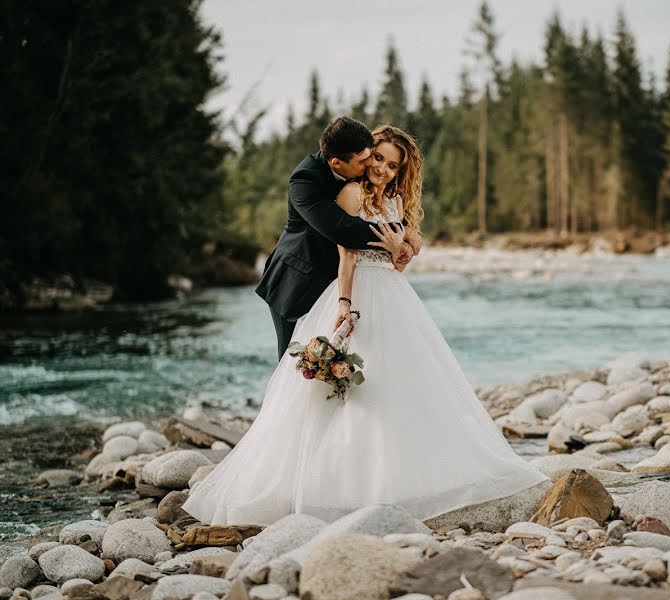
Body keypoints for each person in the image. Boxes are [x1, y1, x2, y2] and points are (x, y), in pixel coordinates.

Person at [183, 125, 549, 525]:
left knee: (394, 382)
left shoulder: (393, 198)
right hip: (313, 282)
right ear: (364, 154)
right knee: (313, 383)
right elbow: (346, 246)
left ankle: (399, 475)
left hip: (390, 294)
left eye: (393, 165)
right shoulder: (336, 188)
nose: (383, 169)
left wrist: (404, 249)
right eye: (377, 159)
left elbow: (404, 258)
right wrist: (354, 290)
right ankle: (306, 479)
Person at [254, 116, 420, 360]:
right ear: (337, 163)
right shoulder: (305, 181)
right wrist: (401, 232)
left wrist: (400, 249)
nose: (371, 167)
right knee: (294, 364)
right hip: (298, 280)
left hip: (344, 281)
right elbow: (344, 230)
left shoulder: (372, 182)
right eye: (367, 160)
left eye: (372, 156)